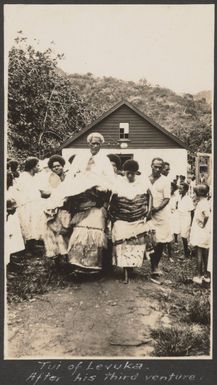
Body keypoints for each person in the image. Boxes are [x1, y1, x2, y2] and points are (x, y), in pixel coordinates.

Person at [65, 133, 114, 274]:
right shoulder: (80, 158)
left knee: (95, 232)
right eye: (92, 143)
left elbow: (110, 180)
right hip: (81, 199)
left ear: (101, 144)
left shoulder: (104, 161)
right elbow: (72, 176)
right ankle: (76, 264)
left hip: (97, 200)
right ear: (88, 144)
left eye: (97, 143)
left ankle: (93, 267)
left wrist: (99, 190)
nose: (94, 146)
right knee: (79, 231)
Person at [110, 160, 153, 283]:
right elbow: (112, 200)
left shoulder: (143, 181)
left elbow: (150, 196)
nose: (130, 176)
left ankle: (131, 267)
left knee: (135, 244)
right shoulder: (118, 182)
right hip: (122, 219)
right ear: (124, 172)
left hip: (138, 218)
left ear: (136, 173)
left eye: (132, 174)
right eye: (128, 173)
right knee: (122, 244)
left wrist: (149, 212)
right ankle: (125, 271)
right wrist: (114, 215)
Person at [42, 155, 71, 265]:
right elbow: (47, 193)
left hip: (66, 208)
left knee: (66, 232)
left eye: (58, 165)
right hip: (54, 208)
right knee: (54, 233)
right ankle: (57, 258)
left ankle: (68, 259)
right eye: (54, 167)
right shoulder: (50, 178)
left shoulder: (68, 178)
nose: (57, 168)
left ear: (62, 166)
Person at [14, 157, 44, 253]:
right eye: (37, 165)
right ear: (33, 167)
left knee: (34, 224)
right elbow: (23, 193)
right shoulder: (23, 177)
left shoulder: (33, 177)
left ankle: (33, 244)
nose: (39, 167)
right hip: (27, 205)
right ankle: (29, 247)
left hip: (34, 204)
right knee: (28, 224)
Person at [149, 158, 172, 278]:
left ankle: (155, 266)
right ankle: (151, 264)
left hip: (161, 215)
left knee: (160, 242)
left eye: (159, 167)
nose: (157, 169)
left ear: (162, 168)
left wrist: (157, 208)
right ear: (151, 166)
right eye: (155, 166)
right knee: (151, 241)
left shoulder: (165, 181)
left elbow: (167, 198)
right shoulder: (146, 179)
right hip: (148, 216)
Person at [190, 184, 211, 284]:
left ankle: (199, 275)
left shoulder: (203, 203)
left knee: (199, 253)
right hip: (204, 232)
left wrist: (203, 224)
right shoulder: (203, 202)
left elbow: (206, 215)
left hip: (201, 232)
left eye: (195, 193)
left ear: (200, 194)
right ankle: (206, 275)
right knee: (204, 253)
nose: (194, 194)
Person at [6, 171, 25, 266]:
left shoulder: (10, 190)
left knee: (12, 238)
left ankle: (10, 260)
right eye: (10, 179)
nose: (11, 180)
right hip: (6, 217)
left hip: (11, 217)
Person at [177, 182, 194, 259]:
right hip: (180, 217)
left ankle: (186, 253)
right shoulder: (180, 197)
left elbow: (192, 211)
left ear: (186, 190)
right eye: (179, 188)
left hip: (186, 218)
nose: (179, 190)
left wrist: (191, 223)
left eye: (181, 188)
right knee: (183, 236)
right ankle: (186, 250)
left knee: (184, 236)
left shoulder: (188, 199)